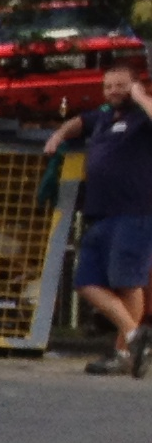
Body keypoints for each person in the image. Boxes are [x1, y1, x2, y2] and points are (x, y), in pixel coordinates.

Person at [47, 61, 152, 375]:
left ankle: (124, 355)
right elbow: (78, 123)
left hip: (135, 213)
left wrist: (141, 97)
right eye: (108, 86)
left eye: (120, 85)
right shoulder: (103, 117)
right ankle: (136, 338)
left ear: (135, 86)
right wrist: (58, 136)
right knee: (86, 282)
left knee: (127, 283)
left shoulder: (141, 117)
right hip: (99, 214)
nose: (113, 91)